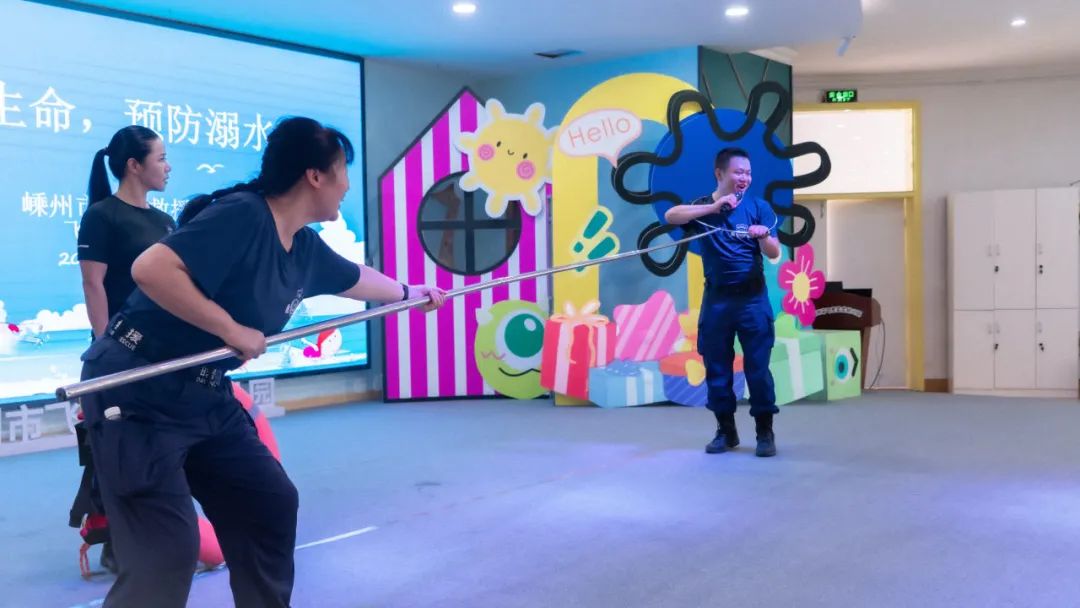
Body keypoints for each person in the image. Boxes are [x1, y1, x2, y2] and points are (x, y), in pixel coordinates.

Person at [78, 116, 447, 607]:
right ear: (314, 176)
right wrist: (229, 329)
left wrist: (409, 292)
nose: (346, 186)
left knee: (267, 503)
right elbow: (151, 268)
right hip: (136, 386)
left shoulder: (304, 246)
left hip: (204, 390)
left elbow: (354, 277)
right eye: (342, 172)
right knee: (165, 554)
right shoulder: (244, 215)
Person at [70, 126, 175, 574]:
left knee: (162, 446)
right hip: (119, 355)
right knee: (118, 450)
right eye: (160, 158)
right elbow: (93, 284)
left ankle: (163, 535)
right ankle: (116, 542)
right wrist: (106, 349)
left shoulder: (166, 222)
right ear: (134, 165)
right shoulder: (102, 216)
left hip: (163, 354)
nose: (168, 167)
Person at [664, 147, 782, 457]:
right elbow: (671, 216)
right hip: (717, 301)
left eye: (748, 173)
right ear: (719, 174)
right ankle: (725, 431)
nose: (745, 178)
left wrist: (763, 236)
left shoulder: (758, 207)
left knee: (758, 369)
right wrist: (713, 207)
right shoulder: (704, 208)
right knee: (717, 369)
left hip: (752, 300)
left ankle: (765, 431)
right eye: (738, 172)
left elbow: (774, 252)